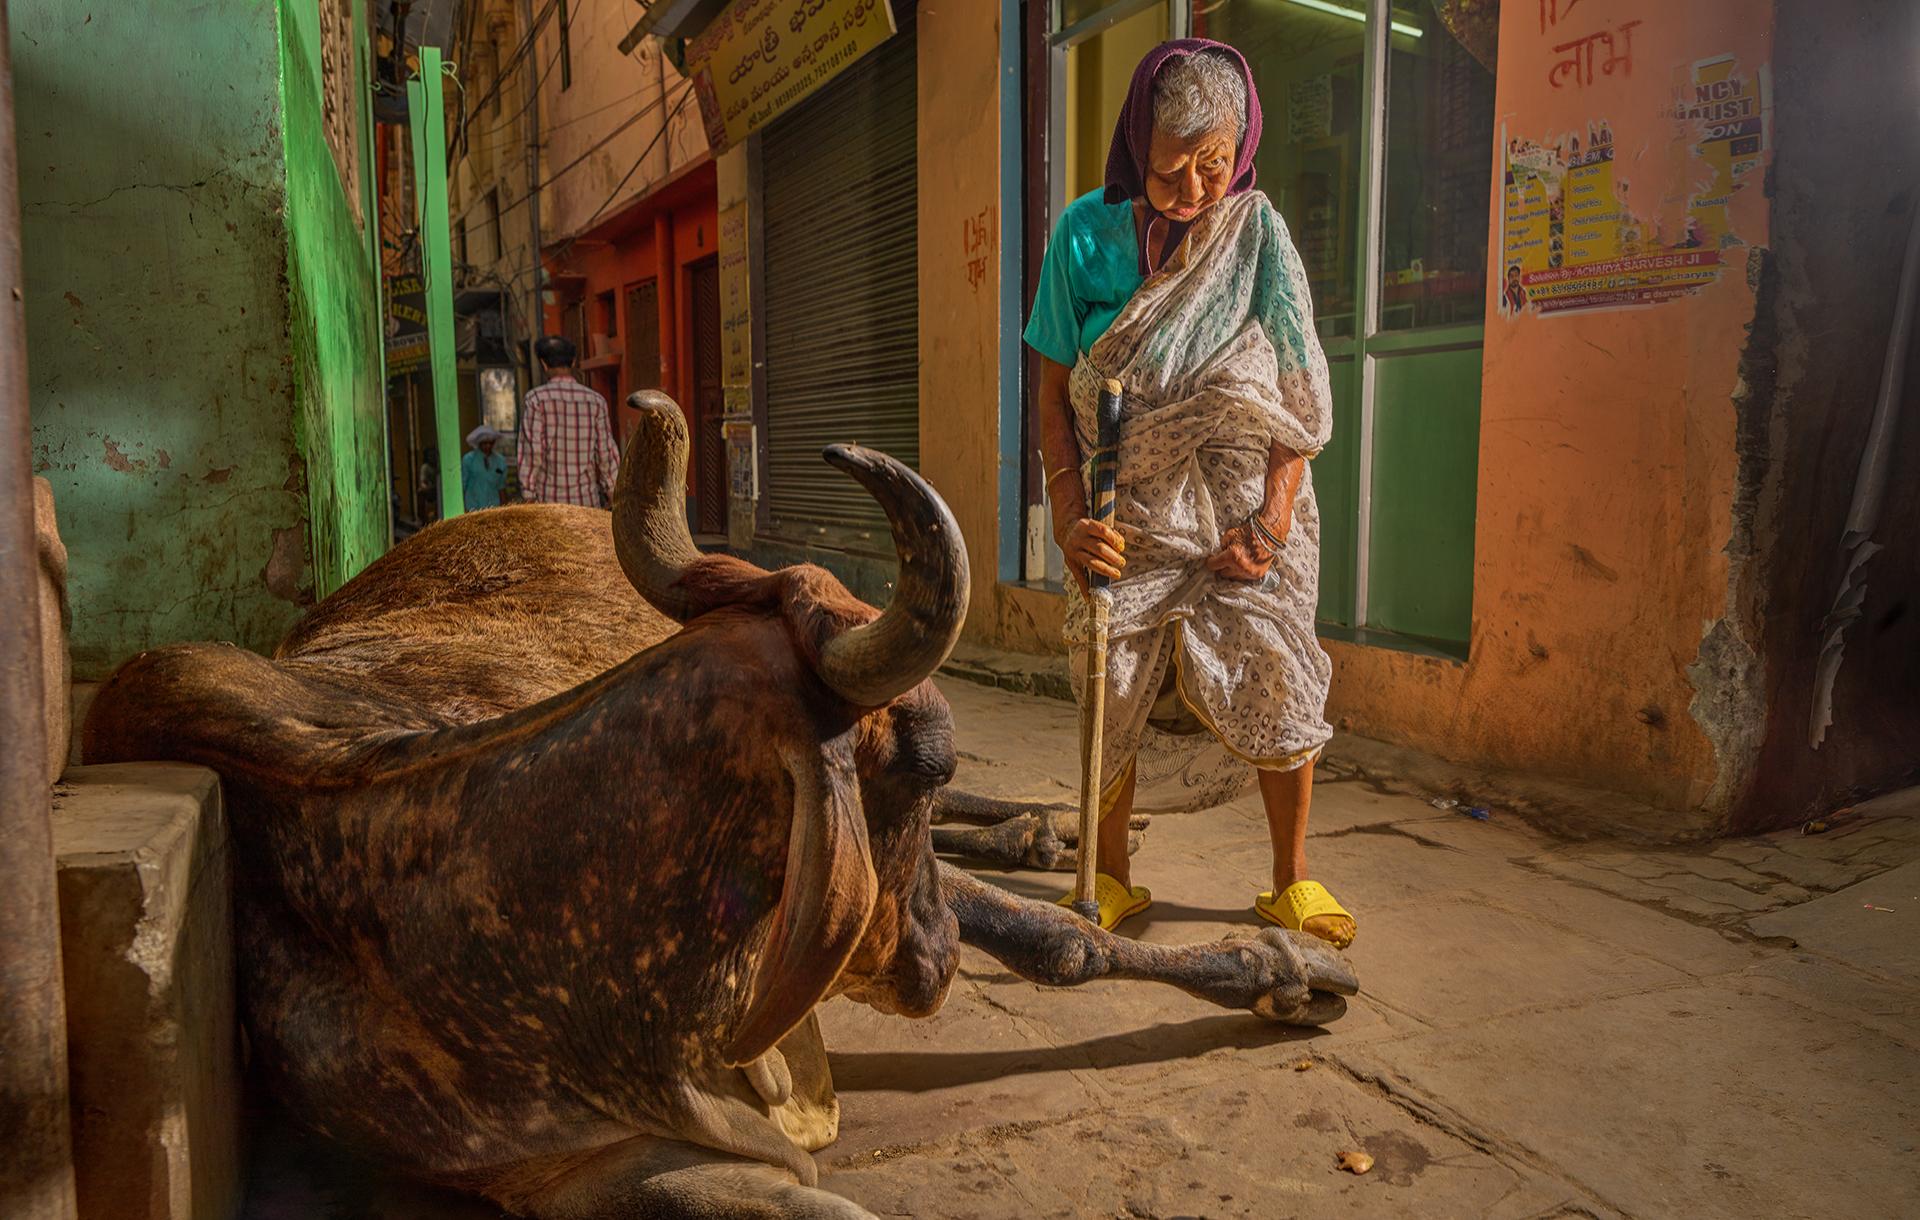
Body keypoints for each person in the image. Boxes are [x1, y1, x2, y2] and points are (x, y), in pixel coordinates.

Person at [1024, 39, 1353, 949]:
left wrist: (1276, 518)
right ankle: (1111, 876)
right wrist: (1066, 513)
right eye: (1174, 168)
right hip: (1120, 507)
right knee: (1109, 671)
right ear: (1139, 140)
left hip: (1246, 506)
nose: (1197, 191)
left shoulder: (1258, 234)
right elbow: (1053, 390)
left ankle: (1291, 881)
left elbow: (1298, 389)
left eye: (1216, 166)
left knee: (1277, 665)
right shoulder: (1081, 235)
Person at [517, 335, 619, 507]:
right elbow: (605, 453)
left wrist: (528, 495)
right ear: (573, 362)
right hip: (587, 505)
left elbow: (532, 453)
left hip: (548, 507)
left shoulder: (535, 400)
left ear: (543, 364)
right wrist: (612, 492)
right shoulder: (596, 401)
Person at [461, 425, 509, 511]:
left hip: (493, 507)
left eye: (491, 443)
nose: (488, 446)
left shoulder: (500, 461)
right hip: (473, 506)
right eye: (484, 443)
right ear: (479, 443)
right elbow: (463, 485)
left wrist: (505, 508)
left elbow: (501, 486)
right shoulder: (468, 460)